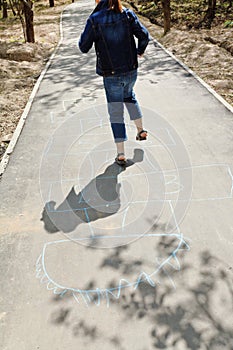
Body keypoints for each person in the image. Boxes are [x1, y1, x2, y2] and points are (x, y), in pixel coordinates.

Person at [79, 0, 149, 166]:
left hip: (111, 74)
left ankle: (121, 154)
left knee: (116, 111)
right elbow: (144, 35)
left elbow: (83, 46)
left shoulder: (95, 19)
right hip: (131, 70)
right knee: (130, 96)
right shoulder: (127, 13)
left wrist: (92, 22)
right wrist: (139, 51)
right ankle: (141, 131)